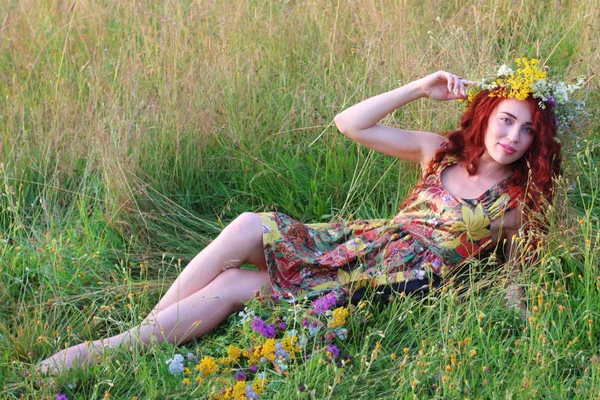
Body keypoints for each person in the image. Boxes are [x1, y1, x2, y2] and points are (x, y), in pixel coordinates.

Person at [39, 58, 573, 374]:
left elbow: (516, 270)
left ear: (538, 142)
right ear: (485, 117)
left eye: (528, 131)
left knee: (238, 284)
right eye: (506, 121)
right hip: (357, 244)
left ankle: (108, 352)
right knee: (250, 223)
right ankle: (146, 335)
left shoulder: (519, 202)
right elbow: (350, 123)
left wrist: (522, 328)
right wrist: (417, 87)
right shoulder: (441, 153)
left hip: (389, 282)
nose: (513, 138)